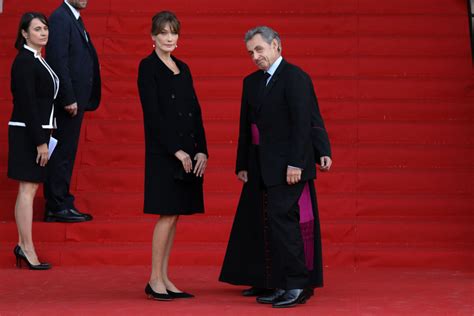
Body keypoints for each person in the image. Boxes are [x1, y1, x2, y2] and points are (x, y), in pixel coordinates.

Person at [220, 26, 332, 308]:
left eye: (259, 49)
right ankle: (279, 282)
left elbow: (304, 122)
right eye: (250, 53)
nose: (255, 56)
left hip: (289, 165)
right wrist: (242, 163)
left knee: (285, 224)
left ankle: (297, 285)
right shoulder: (251, 82)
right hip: (260, 163)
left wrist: (301, 161)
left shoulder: (295, 78)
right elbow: (246, 127)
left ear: (276, 46)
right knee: (268, 224)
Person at [137, 11, 208, 301]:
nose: (169, 38)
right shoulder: (147, 67)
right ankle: (154, 279)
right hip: (164, 153)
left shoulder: (184, 67)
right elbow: (152, 115)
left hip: (188, 153)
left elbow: (195, 111)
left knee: (175, 215)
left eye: (173, 33)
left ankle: (165, 277)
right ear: (153, 37)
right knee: (166, 214)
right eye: (163, 32)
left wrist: (202, 148)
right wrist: (174, 150)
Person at [8, 12, 59, 270]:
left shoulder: (38, 59)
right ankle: (27, 248)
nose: (44, 32)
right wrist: (40, 141)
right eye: (37, 29)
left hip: (37, 130)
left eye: (45, 28)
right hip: (28, 132)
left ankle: (22, 243)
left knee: (28, 189)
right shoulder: (25, 62)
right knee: (28, 190)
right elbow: (27, 104)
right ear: (25, 34)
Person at [43, 0, 101, 222]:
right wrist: (68, 97)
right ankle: (57, 204)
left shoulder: (72, 17)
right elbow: (58, 60)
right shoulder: (60, 18)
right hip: (68, 102)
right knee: (62, 151)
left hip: (75, 100)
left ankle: (61, 200)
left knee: (66, 151)